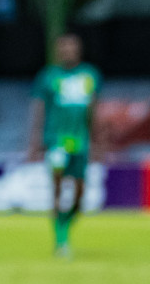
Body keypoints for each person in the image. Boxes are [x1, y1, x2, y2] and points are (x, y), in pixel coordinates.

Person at [26, 33, 101, 259]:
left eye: (71, 47)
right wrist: (34, 142)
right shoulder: (48, 76)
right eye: (63, 48)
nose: (67, 51)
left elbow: (93, 111)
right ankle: (61, 240)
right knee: (57, 188)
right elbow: (38, 110)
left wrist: (98, 141)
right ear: (58, 52)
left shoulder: (90, 75)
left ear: (78, 50)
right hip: (56, 141)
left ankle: (64, 226)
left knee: (80, 194)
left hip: (81, 142)